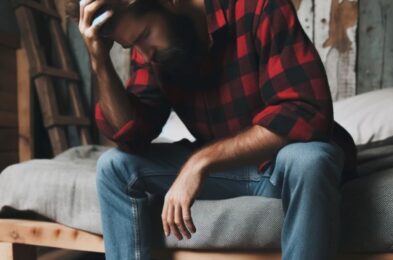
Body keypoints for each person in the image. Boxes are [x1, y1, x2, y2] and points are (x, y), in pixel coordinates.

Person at [69, 0, 357, 259]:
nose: (145, 55)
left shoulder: (258, 6)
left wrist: (201, 162)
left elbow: (305, 109)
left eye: (143, 36)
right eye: (133, 46)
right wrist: (100, 62)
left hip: (281, 162)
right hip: (227, 171)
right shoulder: (154, 52)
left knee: (311, 160)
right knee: (113, 166)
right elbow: (131, 134)